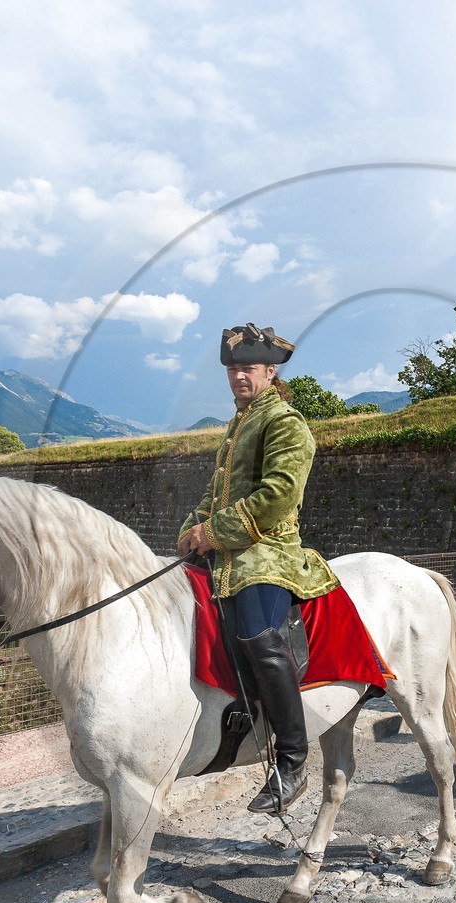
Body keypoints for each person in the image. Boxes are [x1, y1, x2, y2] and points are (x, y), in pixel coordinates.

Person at [177, 323, 339, 814]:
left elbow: (278, 495)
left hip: (267, 552)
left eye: (247, 368)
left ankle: (291, 760)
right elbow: (215, 492)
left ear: (270, 371)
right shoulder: (239, 423)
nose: (238, 377)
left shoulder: (285, 422)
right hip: (226, 551)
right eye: (232, 369)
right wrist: (193, 527)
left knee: (257, 635)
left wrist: (214, 533)